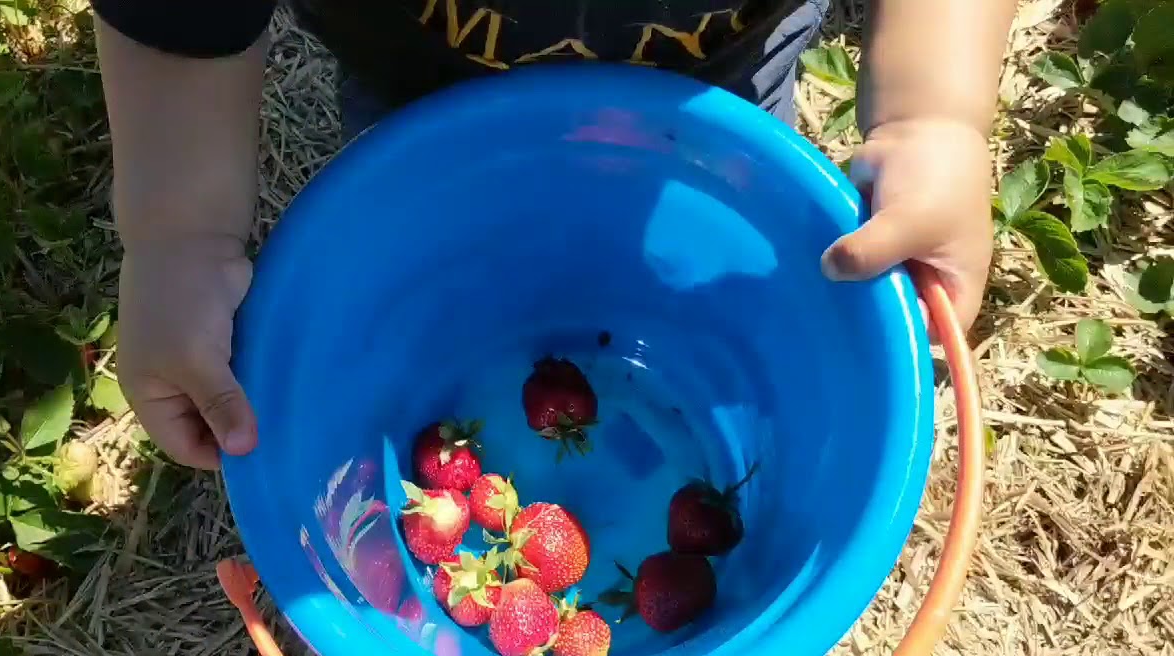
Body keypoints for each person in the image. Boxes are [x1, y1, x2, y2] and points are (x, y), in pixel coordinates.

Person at [91, 0, 1015, 470]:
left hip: (712, 76)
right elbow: (180, 21)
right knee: (435, 197)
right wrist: (181, 235)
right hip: (422, 75)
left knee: (700, 191)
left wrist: (931, 117)